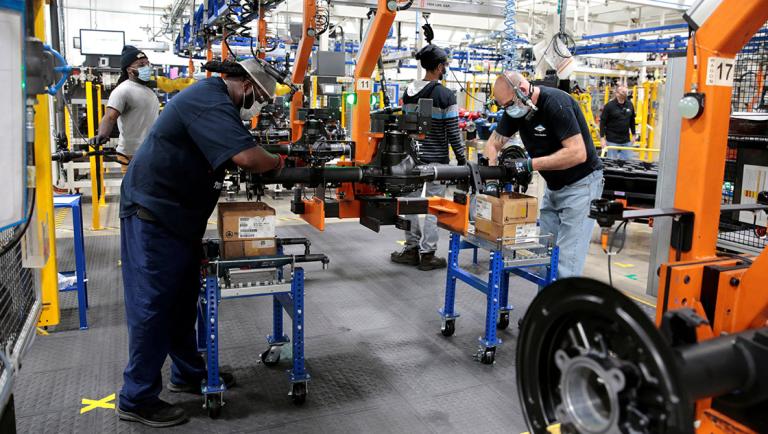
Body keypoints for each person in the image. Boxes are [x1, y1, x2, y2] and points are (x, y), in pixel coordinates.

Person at [116, 59, 284, 428]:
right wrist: (278, 160)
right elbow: (248, 157)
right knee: (154, 304)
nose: (258, 103)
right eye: (259, 96)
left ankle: (188, 373)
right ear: (244, 84)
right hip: (153, 214)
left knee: (180, 300)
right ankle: (136, 396)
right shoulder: (210, 100)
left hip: (177, 217)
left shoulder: (215, 101)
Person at [484, 71, 604, 279]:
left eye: (508, 104)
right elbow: (493, 144)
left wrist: (529, 165)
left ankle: (563, 310)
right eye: (503, 106)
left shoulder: (557, 104)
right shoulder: (517, 110)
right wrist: (493, 176)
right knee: (543, 254)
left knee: (567, 264)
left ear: (522, 91)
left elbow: (577, 153)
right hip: (554, 186)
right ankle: (547, 307)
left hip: (581, 186)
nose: (507, 110)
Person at [390, 44, 467, 271]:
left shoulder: (408, 91)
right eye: (444, 65)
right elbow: (453, 132)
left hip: (412, 160)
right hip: (437, 163)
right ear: (440, 67)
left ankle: (411, 249)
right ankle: (427, 254)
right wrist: (462, 161)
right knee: (433, 207)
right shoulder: (445, 94)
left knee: (410, 204)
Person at [96, 46, 160, 171]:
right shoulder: (123, 90)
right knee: (136, 189)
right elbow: (110, 117)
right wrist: (102, 134)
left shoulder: (148, 90)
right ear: (130, 70)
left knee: (149, 188)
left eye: (148, 64)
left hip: (150, 150)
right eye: (141, 64)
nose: (147, 68)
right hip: (132, 153)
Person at [600, 85, 637, 159]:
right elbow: (602, 122)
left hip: (626, 140)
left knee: (627, 162)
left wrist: (633, 134)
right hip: (612, 140)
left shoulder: (630, 104)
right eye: (623, 92)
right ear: (617, 93)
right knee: (611, 163)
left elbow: (632, 120)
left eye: (626, 92)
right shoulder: (609, 106)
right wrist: (602, 138)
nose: (625, 93)